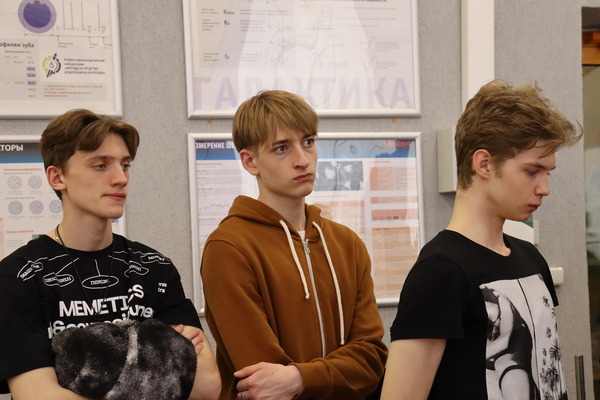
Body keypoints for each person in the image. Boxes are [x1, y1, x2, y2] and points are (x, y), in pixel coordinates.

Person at [0, 109, 221, 400]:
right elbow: (37, 395)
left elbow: (206, 385)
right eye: (101, 165)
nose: (120, 178)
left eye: (125, 165)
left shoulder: (155, 268)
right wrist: (156, 353)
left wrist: (72, 368)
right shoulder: (18, 277)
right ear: (57, 177)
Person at [381, 80, 581, 400]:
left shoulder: (530, 258)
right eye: (532, 171)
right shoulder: (441, 271)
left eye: (548, 173)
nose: (544, 188)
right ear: (484, 164)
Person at [201, 90, 387, 400]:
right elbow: (262, 379)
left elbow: (371, 359)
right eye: (282, 148)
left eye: (308, 142)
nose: (302, 160)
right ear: (250, 161)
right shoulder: (229, 248)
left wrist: (299, 378)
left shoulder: (347, 244)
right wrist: (333, 376)